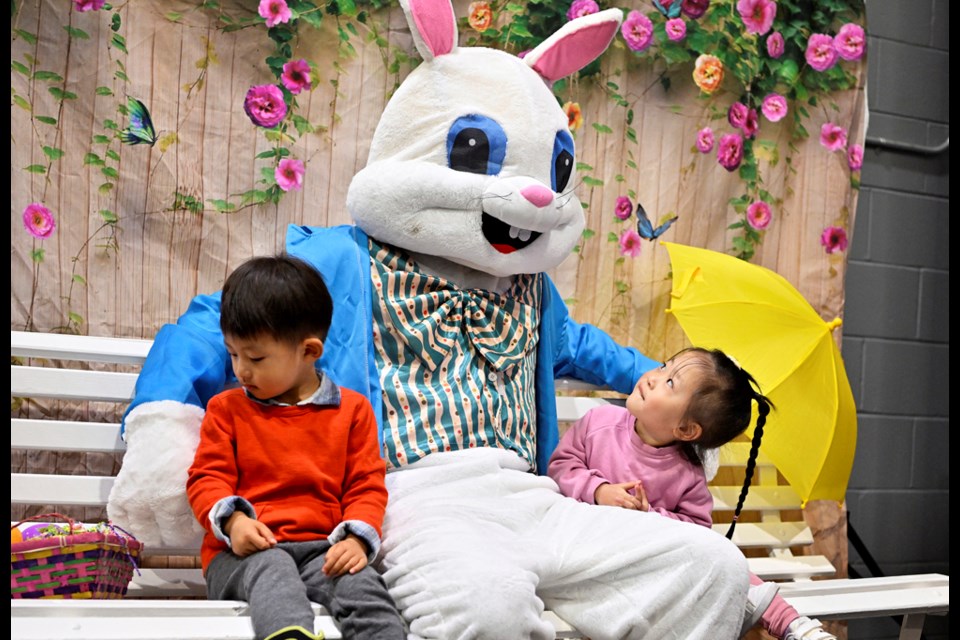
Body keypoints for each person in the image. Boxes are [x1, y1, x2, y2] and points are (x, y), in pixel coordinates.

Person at [548, 347, 836, 640]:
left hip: (648, 565)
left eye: (670, 383)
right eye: (663, 367)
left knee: (727, 565)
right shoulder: (599, 423)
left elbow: (698, 533)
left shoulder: (686, 471)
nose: (652, 378)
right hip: (590, 549)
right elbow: (560, 466)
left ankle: (793, 625)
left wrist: (649, 516)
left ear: (686, 429)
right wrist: (599, 490)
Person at [186, 255, 405, 640]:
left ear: (309, 351)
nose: (240, 371)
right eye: (233, 353)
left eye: (255, 357)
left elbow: (366, 485)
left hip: (322, 550)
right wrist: (234, 522)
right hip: (239, 557)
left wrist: (357, 538)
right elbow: (206, 478)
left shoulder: (352, 411)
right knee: (272, 568)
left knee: (364, 587)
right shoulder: (226, 410)